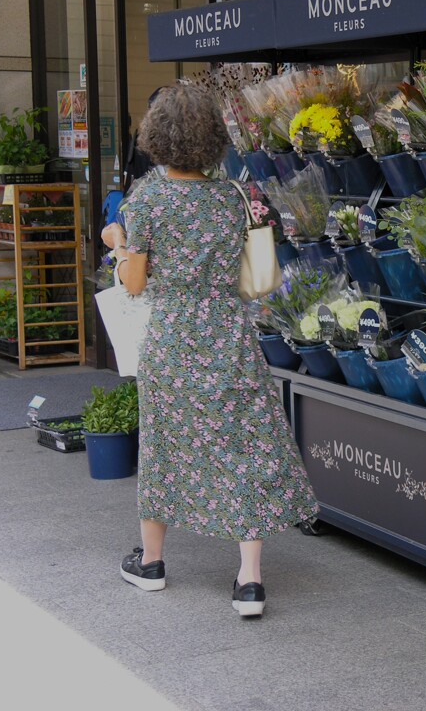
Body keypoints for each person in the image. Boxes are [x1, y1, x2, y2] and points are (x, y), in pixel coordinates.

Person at [101, 84, 317, 619]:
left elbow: (133, 284)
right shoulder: (232, 197)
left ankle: (151, 564)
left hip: (173, 337)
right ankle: (249, 582)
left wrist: (118, 243)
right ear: (211, 138)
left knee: (163, 444)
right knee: (243, 445)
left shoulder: (147, 199)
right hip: (229, 334)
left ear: (158, 137)